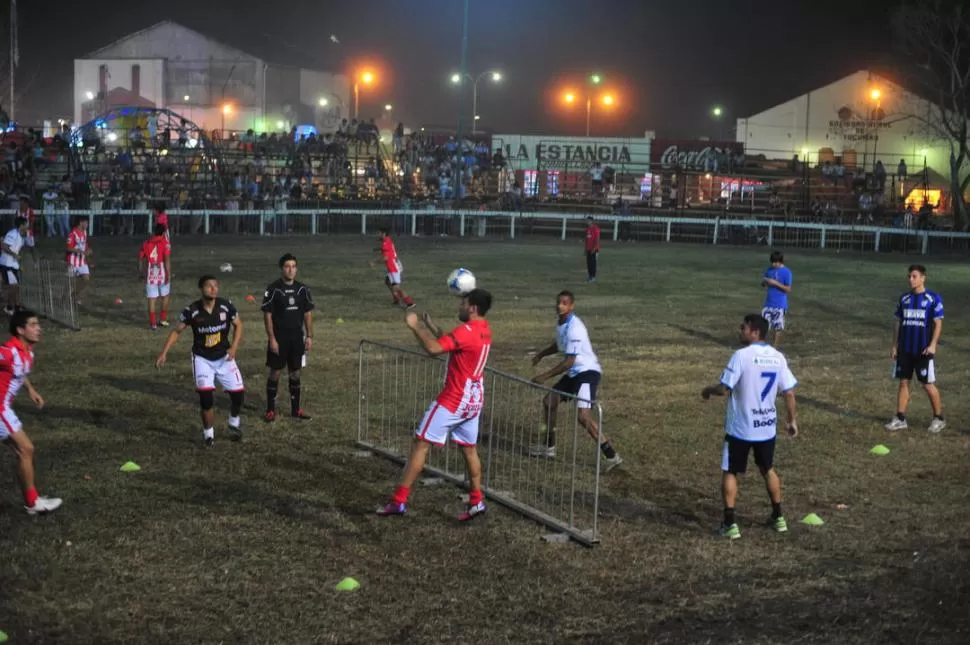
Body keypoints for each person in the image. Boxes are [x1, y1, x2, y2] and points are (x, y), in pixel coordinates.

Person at [377, 289, 493, 521]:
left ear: (472, 308)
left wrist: (414, 326)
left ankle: (398, 502)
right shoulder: (484, 329)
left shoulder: (466, 331)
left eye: (463, 302)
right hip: (474, 400)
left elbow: (434, 349)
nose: (459, 306)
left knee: (421, 444)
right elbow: (454, 343)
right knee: (469, 449)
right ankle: (477, 501)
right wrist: (431, 326)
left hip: (454, 399)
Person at [701, 313, 798, 540]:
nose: (740, 330)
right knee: (768, 469)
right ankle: (778, 517)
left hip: (741, 428)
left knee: (731, 470)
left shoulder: (741, 356)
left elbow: (724, 389)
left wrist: (708, 390)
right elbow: (790, 392)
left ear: (755, 332)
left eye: (743, 327)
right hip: (766, 427)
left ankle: (730, 524)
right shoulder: (778, 357)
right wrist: (792, 420)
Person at [530, 290, 623, 471]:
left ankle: (612, 456)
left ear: (572, 306)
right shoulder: (561, 323)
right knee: (549, 401)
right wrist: (541, 354)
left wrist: (544, 376)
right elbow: (559, 345)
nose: (560, 306)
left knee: (583, 417)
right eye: (558, 302)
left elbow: (569, 361)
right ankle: (549, 447)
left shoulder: (575, 327)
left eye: (565, 303)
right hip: (574, 373)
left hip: (587, 373)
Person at [154, 276, 245, 446]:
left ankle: (234, 420)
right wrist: (163, 353)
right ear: (201, 289)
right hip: (202, 359)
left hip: (224, 357)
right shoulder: (192, 311)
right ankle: (208, 435)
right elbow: (176, 332)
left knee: (238, 395)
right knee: (206, 398)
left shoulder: (226, 306)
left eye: (216, 286)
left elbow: (239, 325)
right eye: (209, 286)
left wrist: (234, 347)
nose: (213, 289)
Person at [0, 309, 62, 514]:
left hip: (4, 408)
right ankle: (33, 503)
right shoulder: (8, 352)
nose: (39, 329)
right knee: (26, 449)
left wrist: (31, 389)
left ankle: (32, 501)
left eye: (38, 324)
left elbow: (19, 374)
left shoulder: (28, 353)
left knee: (23, 450)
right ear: (20, 329)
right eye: (33, 325)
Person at [885, 265, 945, 433]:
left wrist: (933, 344)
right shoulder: (904, 299)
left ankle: (938, 418)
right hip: (905, 349)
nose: (911, 279)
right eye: (909, 276)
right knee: (903, 382)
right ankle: (900, 418)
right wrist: (895, 345)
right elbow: (898, 323)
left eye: (914, 276)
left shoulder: (933, 298)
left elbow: (938, 323)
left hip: (923, 350)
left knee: (927, 384)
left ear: (923, 278)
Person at [261, 253, 314, 422]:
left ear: (296, 269)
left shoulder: (302, 289)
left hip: (297, 338)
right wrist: (272, 339)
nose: (290, 270)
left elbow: (307, 313)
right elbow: (267, 315)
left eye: (293, 266)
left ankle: (295, 409)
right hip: (279, 338)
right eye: (287, 266)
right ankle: (270, 410)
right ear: (282, 268)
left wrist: (309, 336)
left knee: (295, 373)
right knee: (275, 373)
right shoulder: (273, 289)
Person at [370, 228, 415, 309]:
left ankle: (410, 303)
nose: (378, 235)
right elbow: (388, 250)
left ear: (384, 233)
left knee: (396, 287)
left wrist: (374, 262)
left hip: (394, 267)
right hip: (392, 266)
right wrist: (379, 249)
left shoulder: (386, 242)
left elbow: (386, 258)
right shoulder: (387, 241)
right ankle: (397, 300)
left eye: (379, 233)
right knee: (388, 282)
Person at [139, 223, 172, 330]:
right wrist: (168, 274)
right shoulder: (165, 243)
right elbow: (166, 260)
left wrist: (141, 272)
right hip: (162, 272)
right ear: (163, 232)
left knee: (152, 299)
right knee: (165, 296)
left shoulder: (146, 243)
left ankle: (153, 323)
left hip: (151, 272)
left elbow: (140, 259)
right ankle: (162, 319)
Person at [0, 217, 36, 315]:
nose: (28, 226)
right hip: (6, 264)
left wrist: (19, 265)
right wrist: (14, 255)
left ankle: (13, 306)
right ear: (21, 225)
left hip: (13, 265)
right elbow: (5, 246)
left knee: (15, 287)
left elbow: (21, 250)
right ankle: (12, 307)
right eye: (26, 224)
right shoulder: (12, 234)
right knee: (14, 286)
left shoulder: (22, 236)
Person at [761, 251, 792, 346]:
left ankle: (774, 347)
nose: (774, 264)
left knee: (777, 327)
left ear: (781, 261)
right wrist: (765, 282)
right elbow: (763, 283)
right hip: (768, 303)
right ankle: (762, 345)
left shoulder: (787, 272)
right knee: (762, 326)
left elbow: (787, 289)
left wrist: (775, 283)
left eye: (776, 262)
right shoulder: (769, 270)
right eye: (772, 262)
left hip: (780, 305)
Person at [66, 218, 92, 306]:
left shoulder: (84, 233)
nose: (87, 225)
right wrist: (81, 252)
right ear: (81, 222)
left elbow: (85, 244)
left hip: (82, 261)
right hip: (72, 262)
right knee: (71, 283)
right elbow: (69, 248)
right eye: (86, 223)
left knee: (86, 279)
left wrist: (88, 250)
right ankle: (66, 299)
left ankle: (73, 295)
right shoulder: (72, 234)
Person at [584, 216, 601, 283]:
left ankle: (593, 277)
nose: (587, 222)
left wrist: (594, 248)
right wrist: (585, 249)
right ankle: (590, 276)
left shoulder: (596, 229)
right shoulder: (587, 229)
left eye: (588, 221)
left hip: (594, 249)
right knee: (588, 263)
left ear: (591, 221)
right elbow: (586, 240)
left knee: (593, 263)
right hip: (588, 249)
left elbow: (597, 239)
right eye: (587, 221)